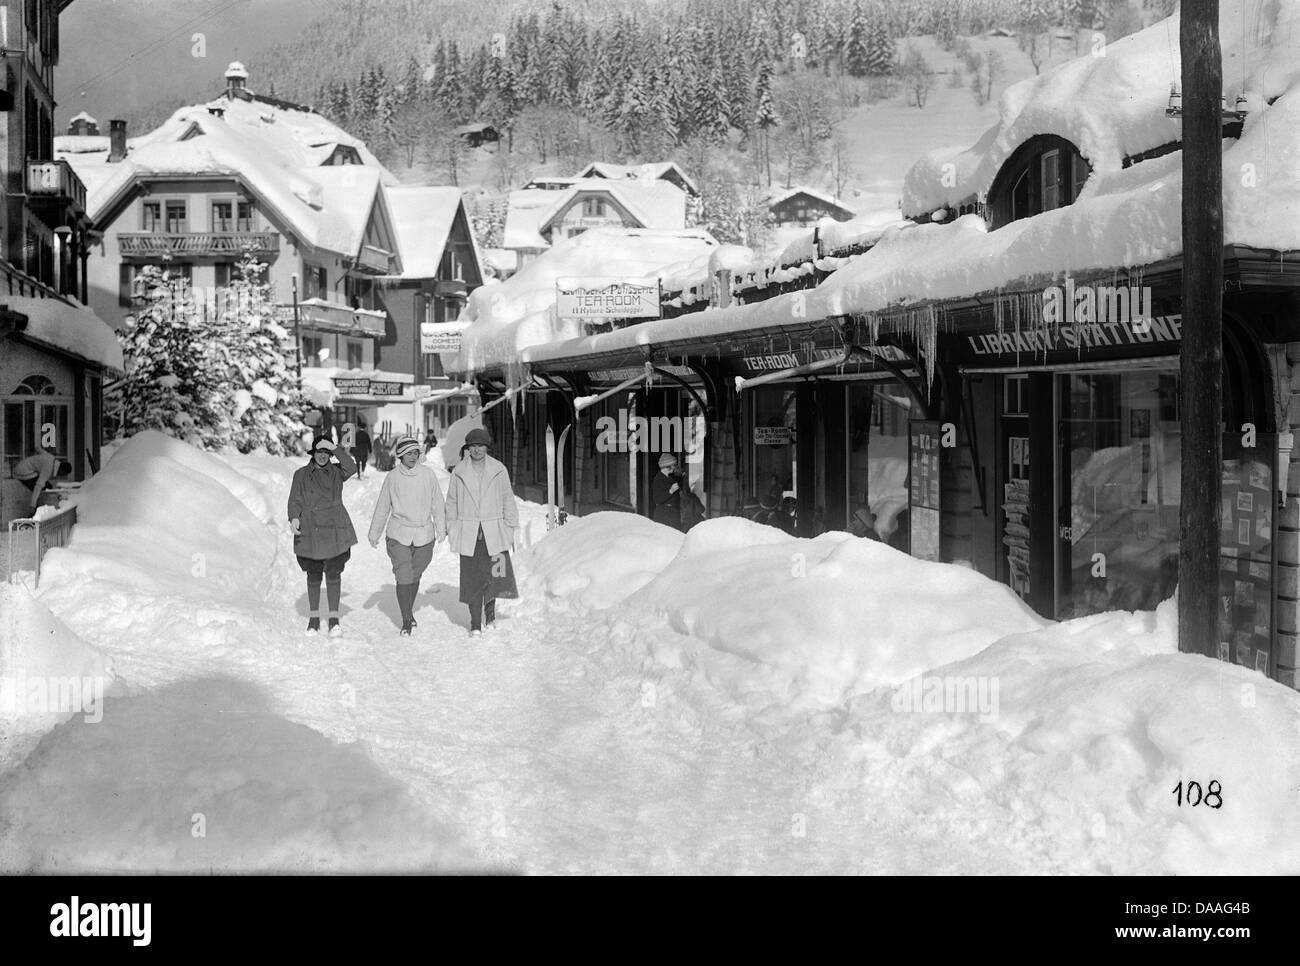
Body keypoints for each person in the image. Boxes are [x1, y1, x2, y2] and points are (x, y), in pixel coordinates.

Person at [368, 435, 445, 636]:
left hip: (424, 534)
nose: (412, 456)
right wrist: (375, 532)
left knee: (415, 574)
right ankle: (406, 620)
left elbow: (438, 503)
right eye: (408, 453)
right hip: (399, 533)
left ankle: (408, 611)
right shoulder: (392, 477)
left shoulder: (428, 475)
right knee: (404, 576)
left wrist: (441, 528)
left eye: (415, 453)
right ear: (400, 455)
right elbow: (383, 506)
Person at [445, 427, 518, 636]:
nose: (477, 450)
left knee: (494, 576)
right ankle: (475, 622)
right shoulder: (459, 471)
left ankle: (491, 614)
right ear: (468, 448)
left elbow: (507, 499)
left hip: (494, 530)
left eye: (481, 446)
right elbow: (452, 502)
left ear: (487, 447)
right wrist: (452, 526)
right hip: (469, 533)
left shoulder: (499, 469)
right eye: (473, 446)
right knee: (471, 578)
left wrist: (510, 526)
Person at [288, 436, 358, 637]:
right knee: (314, 573)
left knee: (334, 572)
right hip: (311, 528)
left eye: (326, 453)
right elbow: (295, 499)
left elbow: (351, 468)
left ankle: (334, 619)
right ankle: (314, 618)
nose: (322, 456)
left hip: (335, 526)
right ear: (313, 453)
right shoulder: (301, 474)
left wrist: (335, 448)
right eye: (319, 452)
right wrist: (294, 517)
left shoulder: (337, 472)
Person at [14, 446, 70, 511]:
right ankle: (35, 509)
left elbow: (39, 449)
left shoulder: (51, 457)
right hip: (22, 472)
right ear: (61, 470)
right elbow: (38, 486)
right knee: (42, 487)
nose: (60, 476)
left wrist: (33, 448)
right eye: (62, 474)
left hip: (22, 465)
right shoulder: (48, 469)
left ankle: (38, 506)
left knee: (47, 486)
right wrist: (32, 505)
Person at [649, 453, 682, 529]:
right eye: (673, 465)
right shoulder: (658, 479)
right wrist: (671, 490)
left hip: (673, 514)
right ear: (668, 466)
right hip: (664, 516)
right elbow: (657, 500)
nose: (674, 467)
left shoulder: (670, 477)